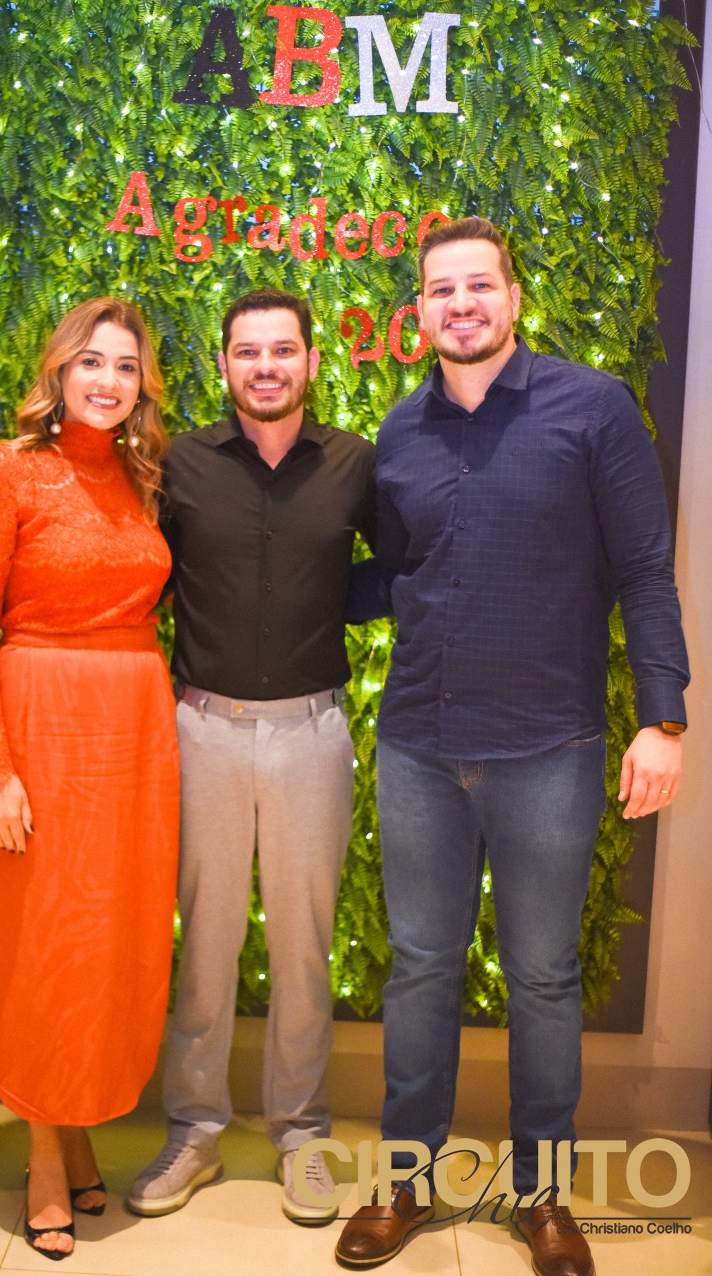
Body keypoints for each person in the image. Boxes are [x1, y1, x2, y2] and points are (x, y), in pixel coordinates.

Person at [335, 218, 689, 1275]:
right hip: (419, 743)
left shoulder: (594, 408)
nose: (460, 304)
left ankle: (543, 1197)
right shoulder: (400, 431)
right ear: (419, 312)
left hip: (550, 745)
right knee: (421, 970)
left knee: (541, 976)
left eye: (477, 285)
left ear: (513, 297)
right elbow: (392, 575)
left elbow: (644, 569)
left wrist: (664, 717)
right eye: (440, 289)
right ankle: (407, 1182)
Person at [125, 288, 376, 1226]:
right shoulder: (180, 463)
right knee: (206, 941)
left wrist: (324, 602)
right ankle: (193, 1130)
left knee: (305, 946)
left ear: (310, 359)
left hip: (312, 733)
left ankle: (301, 1133)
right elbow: (143, 578)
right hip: (203, 732)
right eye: (247, 351)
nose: (265, 366)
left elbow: (399, 566)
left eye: (282, 350)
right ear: (223, 363)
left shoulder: (354, 463)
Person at [0, 298, 179, 1261]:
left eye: (125, 367)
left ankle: (76, 1127)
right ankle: (44, 1154)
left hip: (132, 735)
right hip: (38, 722)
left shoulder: (143, 474)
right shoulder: (8, 469)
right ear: (59, 371)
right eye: (91, 362)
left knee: (104, 939)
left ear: (141, 387)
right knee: (41, 940)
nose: (107, 381)